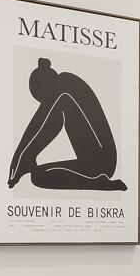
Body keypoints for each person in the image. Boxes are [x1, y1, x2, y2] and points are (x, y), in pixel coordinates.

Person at [7, 57, 127, 191]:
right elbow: (45, 121)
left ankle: (98, 182)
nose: (44, 106)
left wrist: (21, 156)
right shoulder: (65, 88)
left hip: (102, 163)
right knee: (38, 175)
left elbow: (45, 122)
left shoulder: (65, 88)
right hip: (93, 162)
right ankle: (25, 160)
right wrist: (23, 156)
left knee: (38, 176)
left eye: (44, 100)